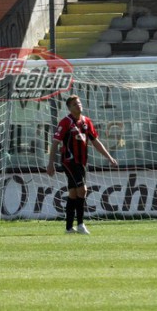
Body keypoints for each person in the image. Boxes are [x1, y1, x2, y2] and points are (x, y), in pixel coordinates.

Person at [46, 95, 118, 234]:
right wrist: (51, 163)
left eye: (79, 103)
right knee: (82, 189)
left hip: (81, 162)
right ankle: (80, 224)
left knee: (73, 193)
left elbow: (95, 141)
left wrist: (109, 157)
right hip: (69, 161)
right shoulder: (65, 122)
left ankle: (68, 228)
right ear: (69, 108)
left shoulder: (86, 121)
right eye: (74, 104)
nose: (78, 105)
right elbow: (55, 142)